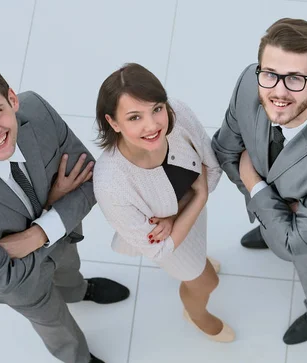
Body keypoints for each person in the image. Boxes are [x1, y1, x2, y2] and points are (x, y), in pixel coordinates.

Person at [0, 61, 130, 363]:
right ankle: (79, 358)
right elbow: (5, 278)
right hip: (25, 283)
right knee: (54, 322)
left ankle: (78, 291)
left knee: (68, 271)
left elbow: (93, 180)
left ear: (12, 99)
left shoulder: (36, 110)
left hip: (62, 240)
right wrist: (54, 208)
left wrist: (39, 233)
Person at [211, 18, 307, 344]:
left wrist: (255, 184)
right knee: (277, 230)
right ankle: (271, 230)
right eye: (270, 74)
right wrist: (275, 210)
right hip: (291, 216)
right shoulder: (248, 82)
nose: (278, 92)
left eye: (295, 78)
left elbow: (297, 244)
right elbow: (225, 150)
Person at [93, 63, 234, 343]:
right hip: (171, 243)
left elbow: (213, 168)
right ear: (113, 122)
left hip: (182, 220)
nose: (153, 125)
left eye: (156, 108)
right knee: (207, 282)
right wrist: (199, 196)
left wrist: (176, 216)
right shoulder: (110, 183)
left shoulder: (176, 113)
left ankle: (200, 261)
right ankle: (197, 316)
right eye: (134, 117)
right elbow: (160, 249)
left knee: (202, 259)